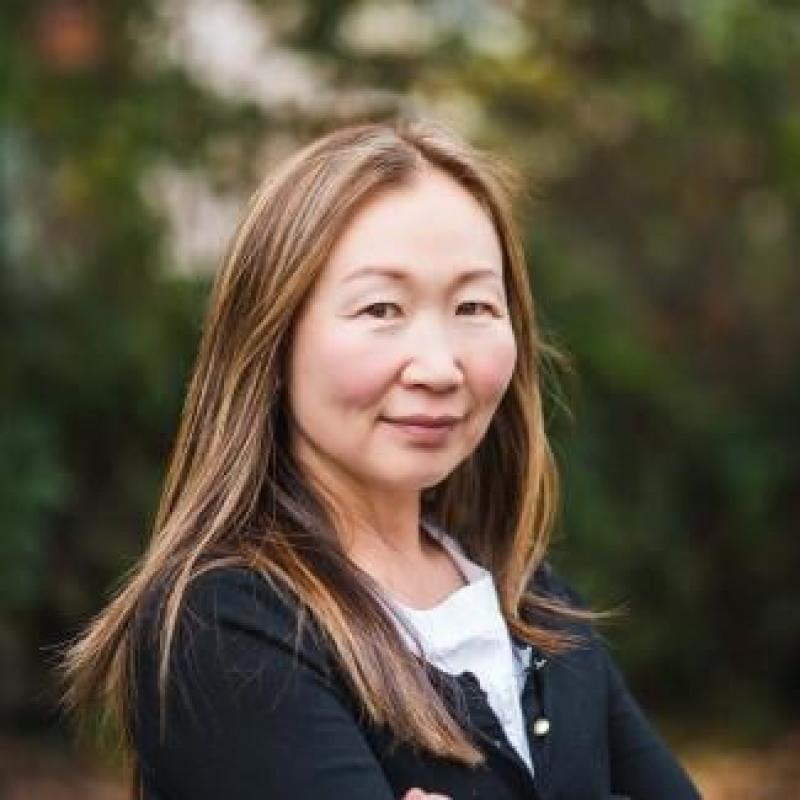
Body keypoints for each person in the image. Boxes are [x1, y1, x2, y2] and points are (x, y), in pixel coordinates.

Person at [60, 116, 701, 800]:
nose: (439, 366)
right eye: (381, 309)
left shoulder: (533, 603)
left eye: (475, 305)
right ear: (272, 342)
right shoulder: (224, 626)